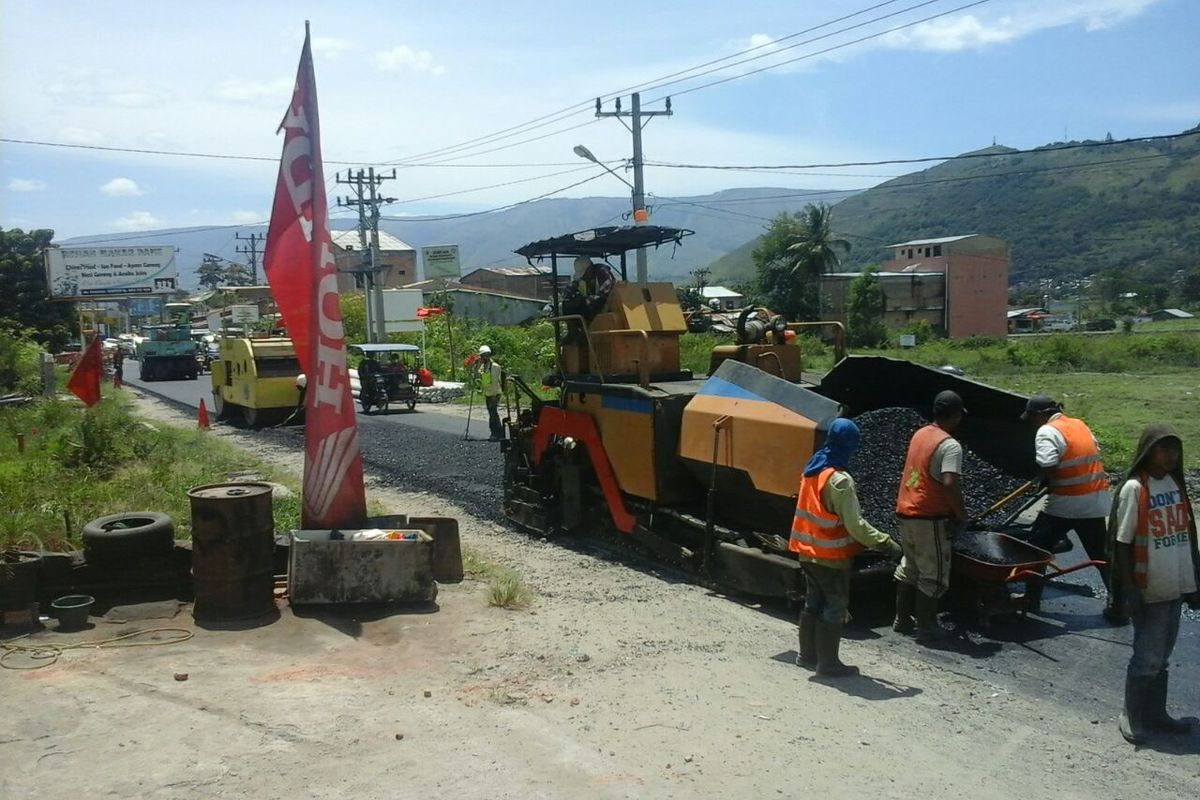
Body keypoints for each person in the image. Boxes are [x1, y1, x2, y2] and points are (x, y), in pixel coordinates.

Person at [791, 418, 903, 677]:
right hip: (830, 556)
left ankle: (806, 656)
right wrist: (887, 544)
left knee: (813, 602)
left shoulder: (812, 470)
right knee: (834, 606)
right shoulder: (840, 481)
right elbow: (856, 525)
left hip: (806, 551)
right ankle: (828, 664)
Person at [1109, 424, 1200, 744]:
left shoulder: (1174, 485)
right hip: (1149, 588)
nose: (1171, 454)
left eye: (1175, 448)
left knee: (1162, 656)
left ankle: (1156, 714)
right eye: (1164, 448)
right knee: (1146, 656)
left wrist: (1193, 583)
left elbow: (1185, 536)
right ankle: (1131, 715)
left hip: (1173, 584)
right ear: (1148, 451)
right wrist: (1129, 590)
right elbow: (1122, 542)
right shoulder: (1135, 488)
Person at [1019, 395, 1121, 622]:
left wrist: (1047, 480)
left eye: (1032, 418)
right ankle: (1119, 604)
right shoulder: (1079, 424)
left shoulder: (1047, 431)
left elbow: (1047, 462)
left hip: (1067, 502)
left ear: (1040, 415)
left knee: (1036, 549)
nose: (1033, 423)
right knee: (1100, 555)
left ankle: (1031, 600)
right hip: (1096, 500)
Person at [893, 390, 967, 644]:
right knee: (933, 575)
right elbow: (949, 482)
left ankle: (902, 619)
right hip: (929, 516)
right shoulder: (950, 446)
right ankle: (927, 627)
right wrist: (961, 514)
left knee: (910, 567)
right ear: (956, 416)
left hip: (906, 511)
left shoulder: (921, 433)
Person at [562, 256, 616, 321]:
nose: (583, 277)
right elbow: (570, 288)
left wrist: (584, 301)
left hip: (607, 310)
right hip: (591, 309)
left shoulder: (603, 273)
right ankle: (578, 329)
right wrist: (569, 297)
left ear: (590, 268)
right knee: (568, 306)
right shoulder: (582, 278)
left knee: (586, 305)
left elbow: (605, 294)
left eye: (584, 274)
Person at [476, 345, 504, 441]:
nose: (483, 358)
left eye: (484, 356)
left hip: (494, 394)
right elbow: (478, 375)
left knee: (493, 413)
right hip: (488, 393)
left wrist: (494, 396)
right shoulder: (484, 367)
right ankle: (497, 433)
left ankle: (497, 433)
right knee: (492, 413)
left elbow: (495, 382)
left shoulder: (494, 367)